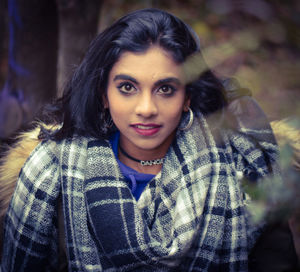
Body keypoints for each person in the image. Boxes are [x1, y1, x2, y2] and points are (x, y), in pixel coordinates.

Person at [0, 8, 280, 271]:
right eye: (127, 87)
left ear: (187, 98)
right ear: (103, 95)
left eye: (166, 89)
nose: (146, 108)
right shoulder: (50, 168)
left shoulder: (239, 167)